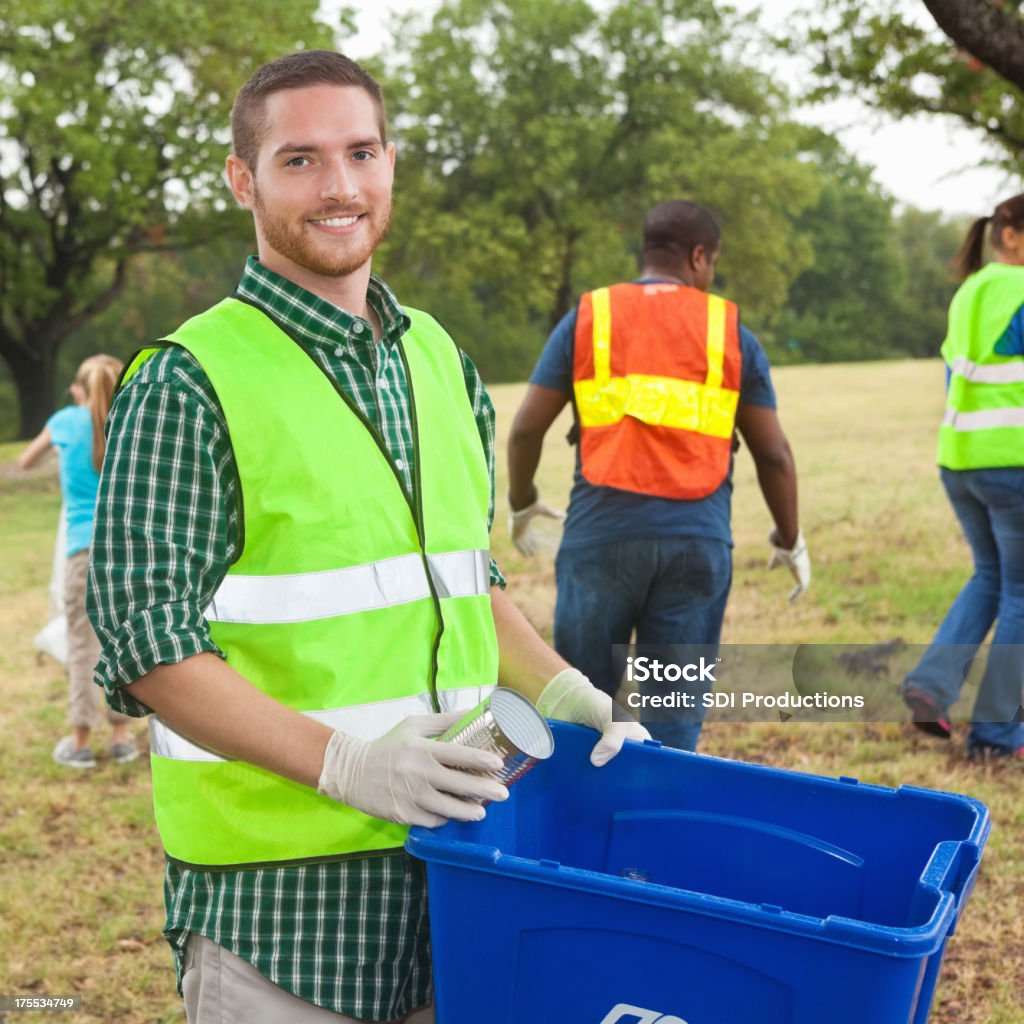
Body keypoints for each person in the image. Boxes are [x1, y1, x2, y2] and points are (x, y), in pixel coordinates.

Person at [86, 50, 648, 1024]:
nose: (339, 186)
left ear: (390, 162)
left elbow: (463, 579)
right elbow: (144, 647)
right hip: (281, 915)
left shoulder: (439, 358)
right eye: (299, 160)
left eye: (360, 152)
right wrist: (351, 764)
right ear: (242, 181)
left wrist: (567, 696)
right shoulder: (187, 380)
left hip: (464, 875)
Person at [507, 200, 810, 752]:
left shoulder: (589, 317)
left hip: (599, 541)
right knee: (674, 721)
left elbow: (526, 430)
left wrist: (523, 501)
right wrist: (791, 539)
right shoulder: (729, 328)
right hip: (697, 546)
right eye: (712, 262)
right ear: (698, 257)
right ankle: (663, 826)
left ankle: (576, 832)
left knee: (579, 712)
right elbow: (775, 456)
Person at [903, 193, 1024, 760]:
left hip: (961, 459)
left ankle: (931, 685)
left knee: (990, 577)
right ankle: (998, 737)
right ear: (1012, 235)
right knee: (1019, 591)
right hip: (1014, 461)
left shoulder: (969, 292)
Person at [19, 355, 137, 769]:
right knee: (120, 642)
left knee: (82, 644)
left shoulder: (66, 421)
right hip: (125, 553)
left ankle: (81, 742)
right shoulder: (129, 418)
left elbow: (25, 461)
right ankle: (122, 736)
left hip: (82, 553)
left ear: (79, 389)